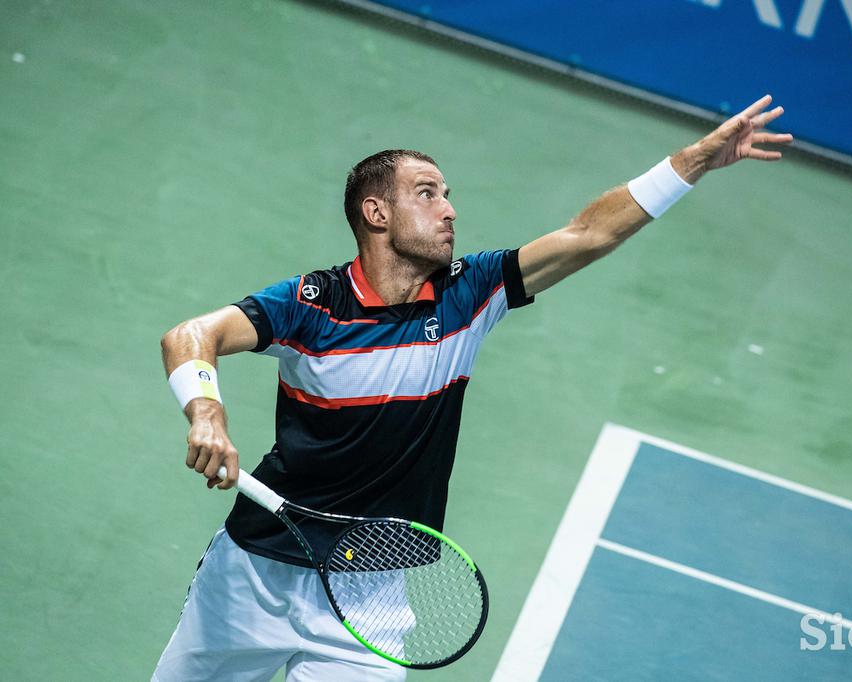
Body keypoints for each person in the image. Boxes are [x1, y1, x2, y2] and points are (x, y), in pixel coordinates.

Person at [153, 95, 792, 681]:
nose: (450, 208)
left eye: (448, 194)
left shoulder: (470, 293)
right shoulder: (311, 305)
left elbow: (590, 233)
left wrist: (695, 161)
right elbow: (189, 335)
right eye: (426, 194)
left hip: (368, 596)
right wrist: (205, 412)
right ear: (377, 213)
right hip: (253, 574)